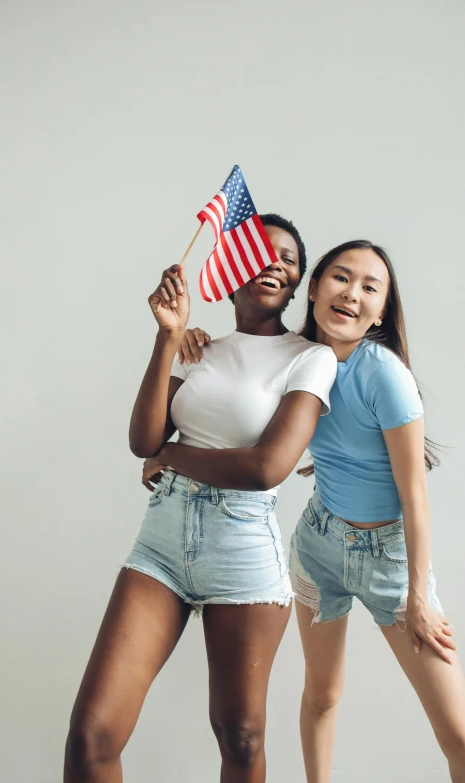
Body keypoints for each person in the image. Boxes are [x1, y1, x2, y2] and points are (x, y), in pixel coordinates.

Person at [162, 240, 465, 782]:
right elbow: (233, 394)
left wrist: (419, 595)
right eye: (340, 278)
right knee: (322, 695)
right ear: (316, 287)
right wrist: (188, 341)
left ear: (381, 311)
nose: (352, 293)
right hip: (318, 546)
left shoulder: (384, 375)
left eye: (370, 287)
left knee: (460, 735)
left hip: (389, 558)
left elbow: (415, 495)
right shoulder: (296, 356)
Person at [63, 214, 337, 783]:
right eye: (261, 252)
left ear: (297, 283)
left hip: (243, 547)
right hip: (162, 542)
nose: (273, 264)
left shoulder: (309, 359)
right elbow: (143, 438)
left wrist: (171, 457)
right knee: (93, 735)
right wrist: (168, 337)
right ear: (232, 266)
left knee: (241, 736)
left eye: (288, 259)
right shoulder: (199, 349)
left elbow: (266, 469)